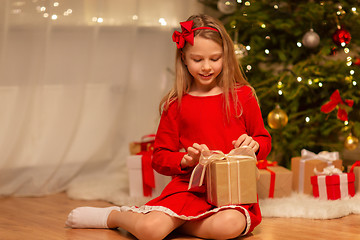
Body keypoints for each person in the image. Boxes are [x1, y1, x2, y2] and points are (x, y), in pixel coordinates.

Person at [66, 14, 271, 240]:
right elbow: (160, 157)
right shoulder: (175, 104)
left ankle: (173, 223)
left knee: (228, 225)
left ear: (226, 57)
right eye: (197, 59)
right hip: (189, 188)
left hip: (231, 190)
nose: (206, 67)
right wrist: (185, 160)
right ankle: (117, 216)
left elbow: (263, 139)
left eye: (215, 59)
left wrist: (254, 145)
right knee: (151, 232)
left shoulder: (243, 96)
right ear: (183, 58)